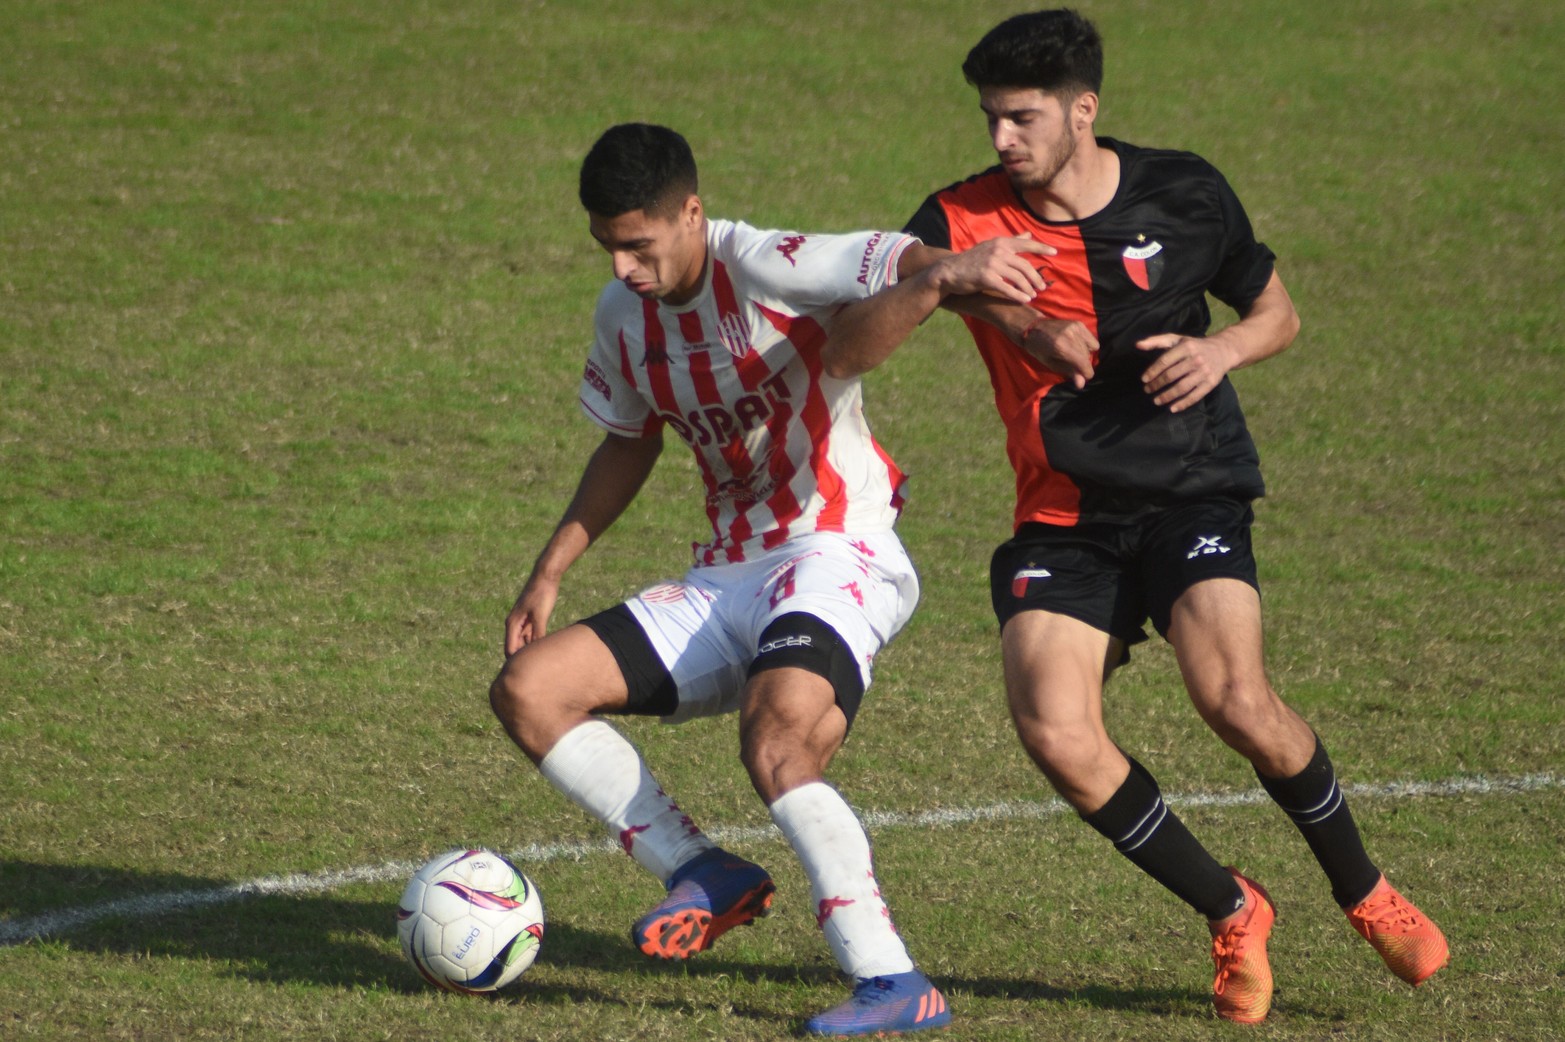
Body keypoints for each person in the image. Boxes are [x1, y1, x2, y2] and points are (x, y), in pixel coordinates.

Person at [897, 9, 1449, 1024]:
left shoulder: (1184, 190)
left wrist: (1223, 352)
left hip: (1188, 488)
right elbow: (883, 291)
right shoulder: (958, 216)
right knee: (1054, 731)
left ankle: (1363, 890)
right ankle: (1231, 904)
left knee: (1234, 699)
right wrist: (996, 305)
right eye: (988, 119)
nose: (999, 141)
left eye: (1019, 119)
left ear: (1082, 110)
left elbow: (1274, 311)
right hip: (1060, 514)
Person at [488, 122, 1045, 1036]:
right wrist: (549, 570)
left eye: (639, 244)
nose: (623, 267)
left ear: (691, 214)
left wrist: (975, 287)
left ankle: (892, 980)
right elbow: (629, 440)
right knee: (529, 688)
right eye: (607, 248)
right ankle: (702, 871)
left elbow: (895, 256)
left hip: (839, 549)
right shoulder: (621, 318)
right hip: (727, 574)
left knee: (777, 739)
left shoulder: (764, 264)